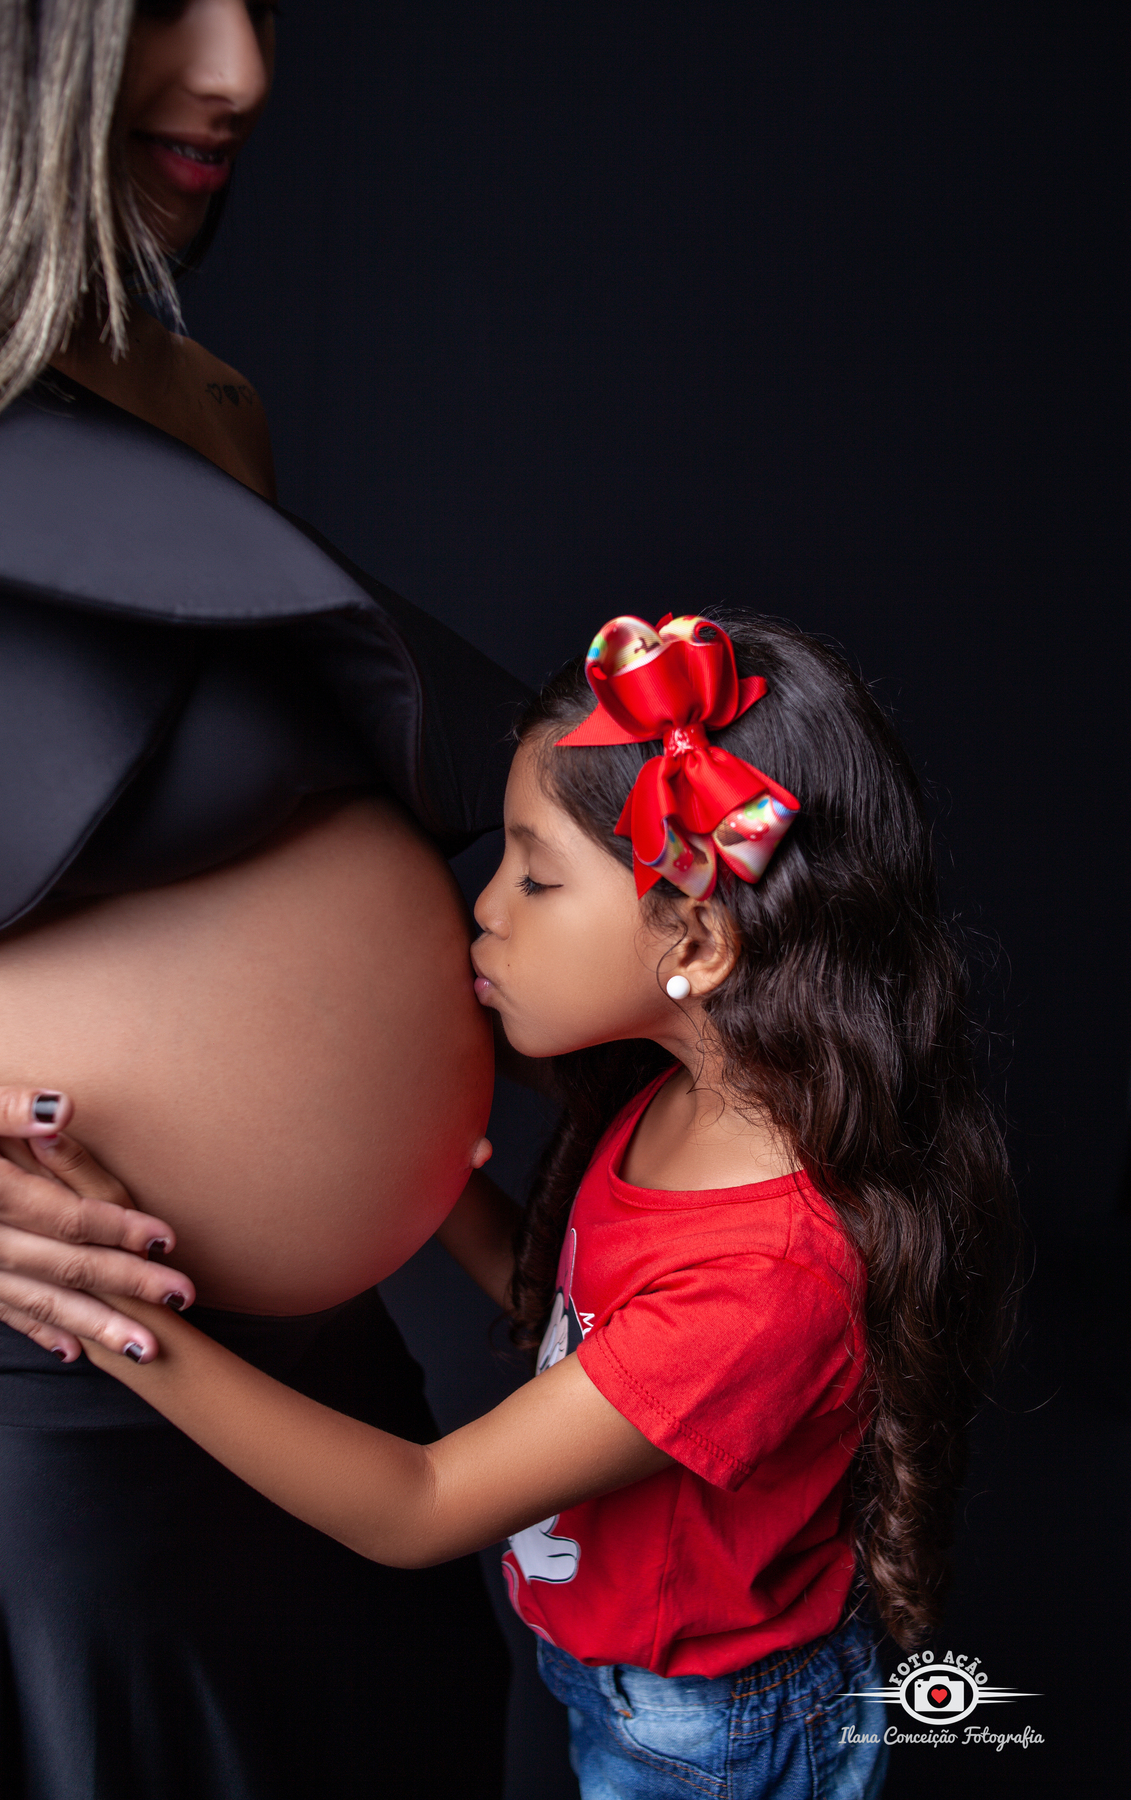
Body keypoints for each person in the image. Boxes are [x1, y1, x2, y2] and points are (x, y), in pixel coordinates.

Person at [62, 613, 1016, 1800]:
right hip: (614, 1675)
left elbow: (420, 1506)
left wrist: (104, 1311)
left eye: (538, 874)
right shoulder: (681, 1105)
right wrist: (421, 1158)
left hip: (709, 1733)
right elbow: (579, 1314)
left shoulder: (770, 1274)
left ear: (699, 937)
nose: (487, 908)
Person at [0, 2, 520, 1794]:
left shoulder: (200, 405)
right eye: (157, 8)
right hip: (18, 1450)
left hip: (337, 1425)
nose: (243, 71)